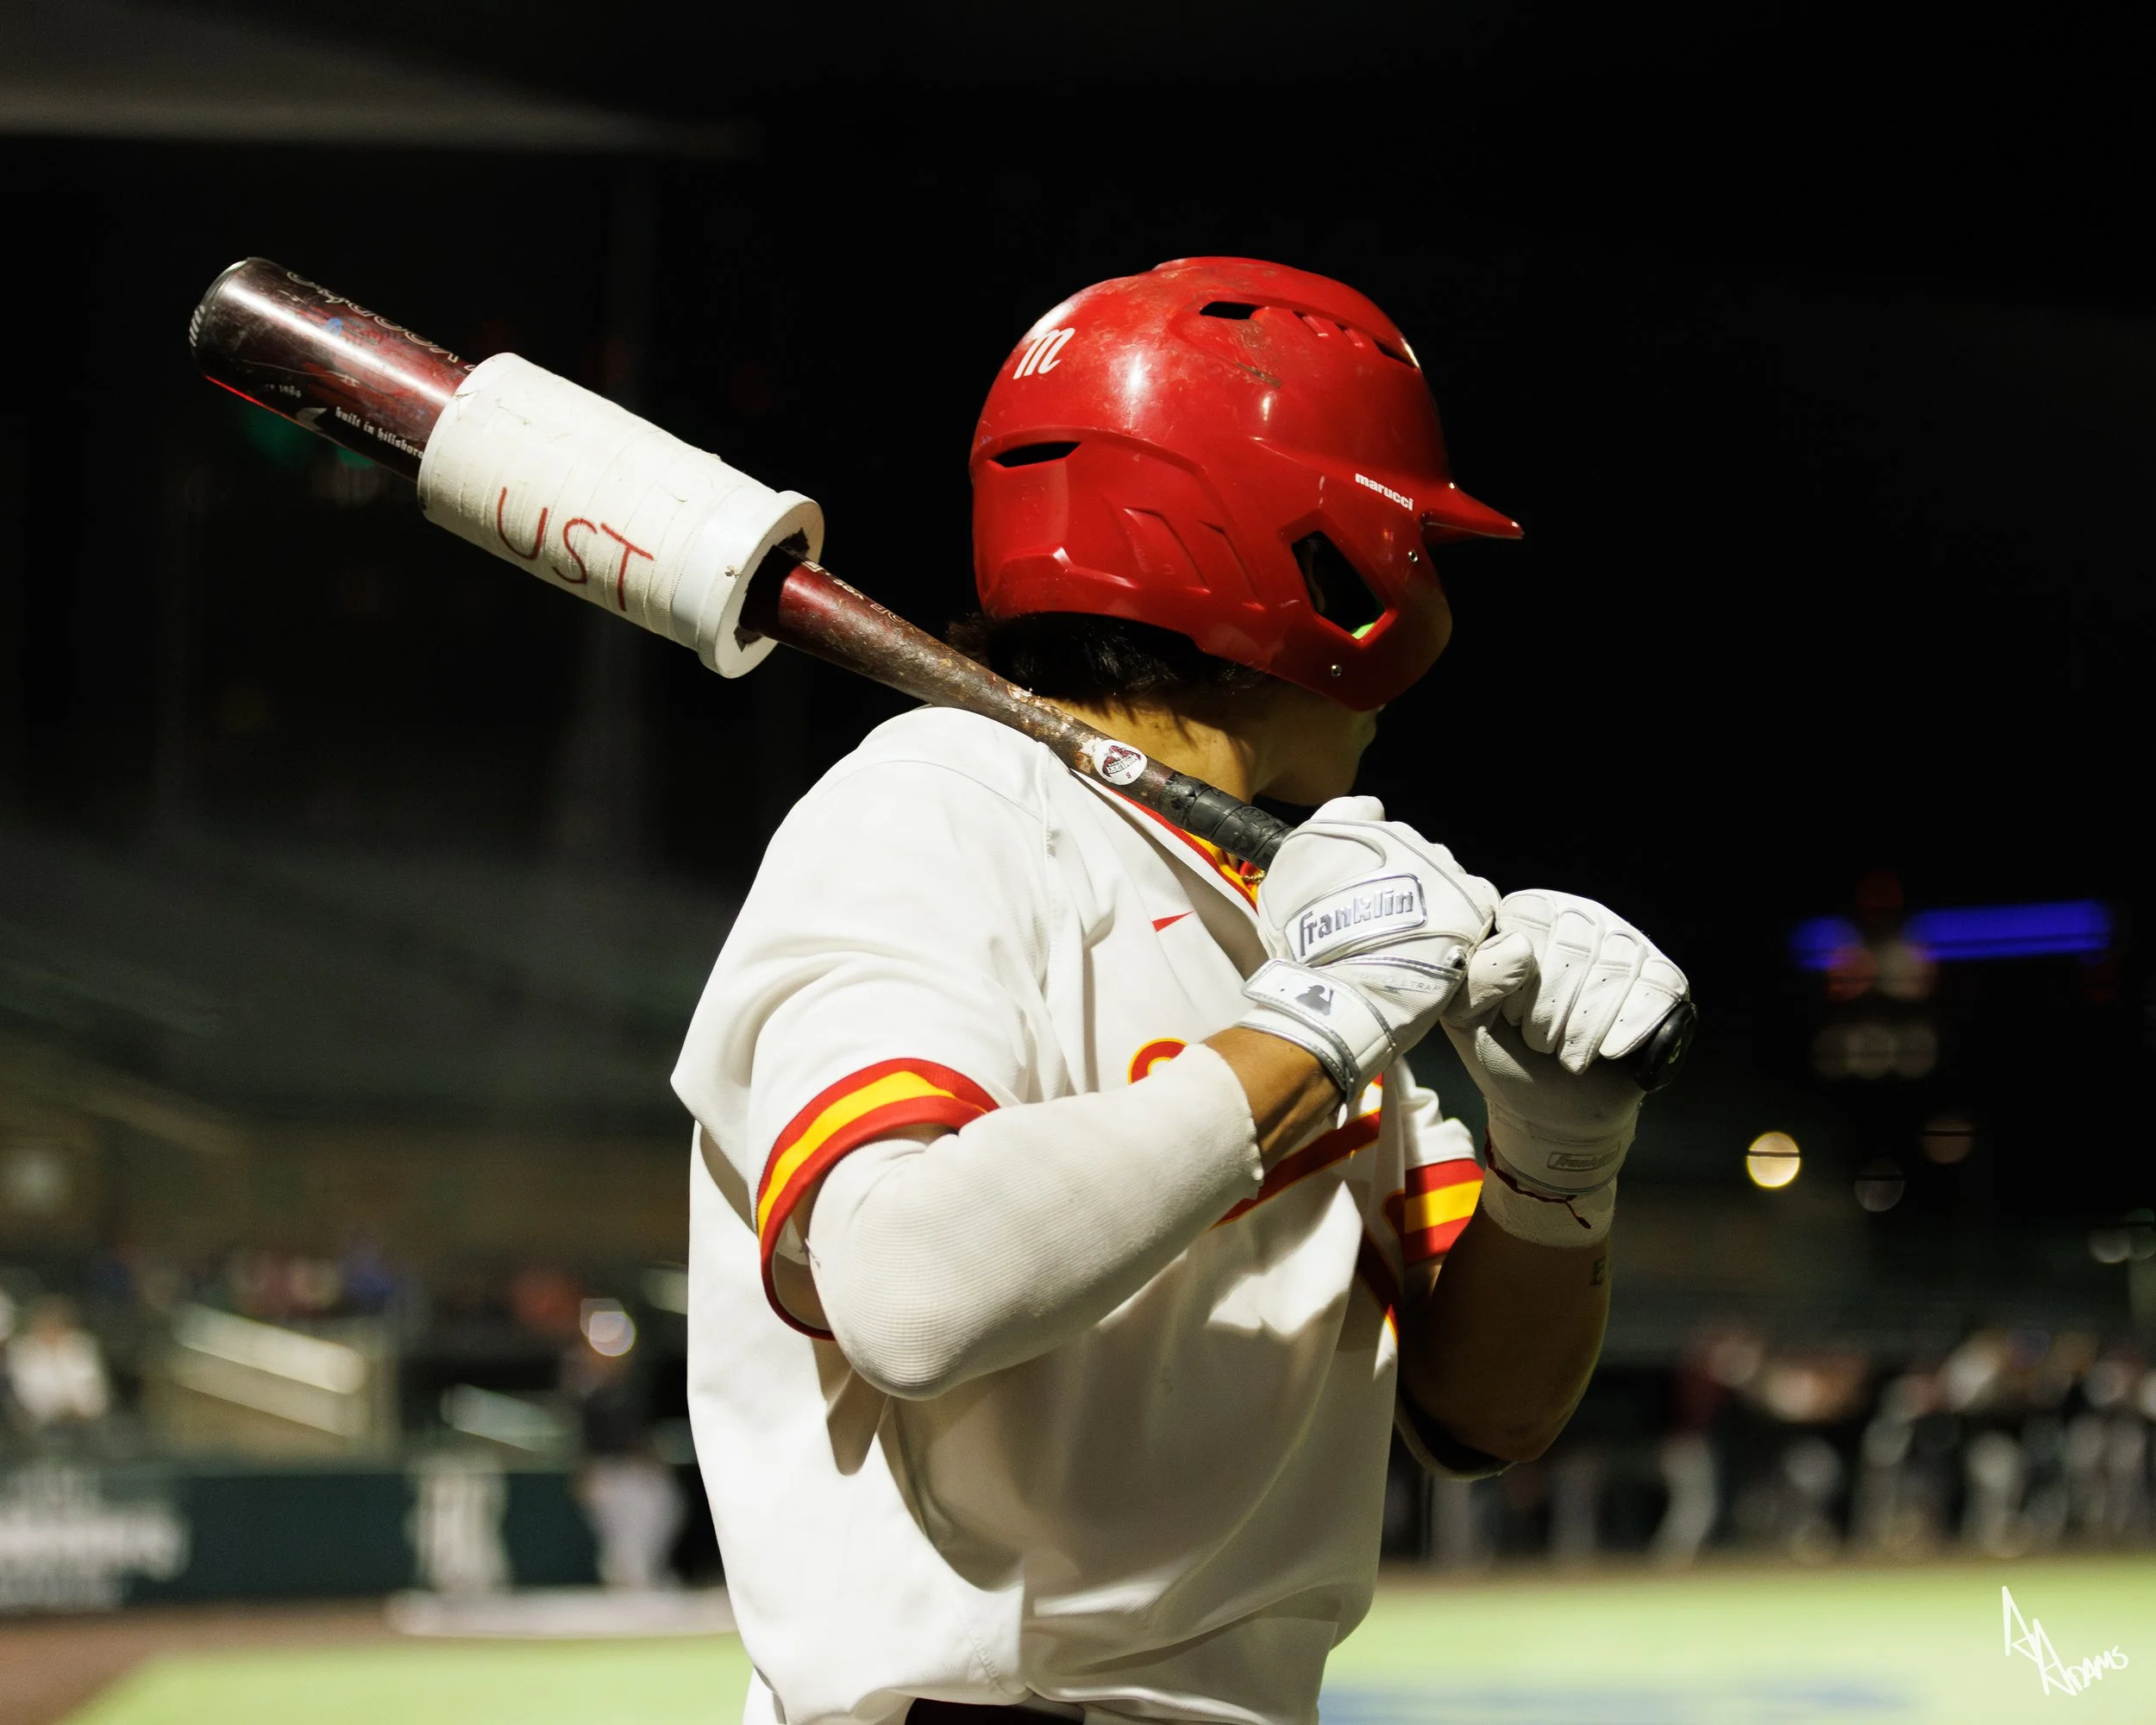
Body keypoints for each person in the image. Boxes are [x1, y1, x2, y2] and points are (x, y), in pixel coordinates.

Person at [674, 258, 1688, 1725]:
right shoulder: (936, 805)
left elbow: (1486, 1416)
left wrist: (1560, 1160)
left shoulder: (1296, 918)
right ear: (1323, 561)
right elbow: (909, 1288)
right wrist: (1314, 1031)